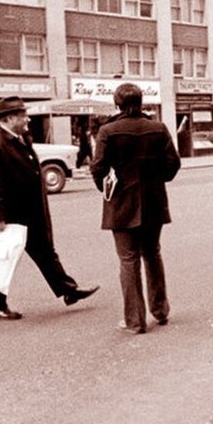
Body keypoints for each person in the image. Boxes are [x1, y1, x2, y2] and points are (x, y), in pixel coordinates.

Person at [0, 95, 98, 320]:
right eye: (23, 116)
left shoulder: (21, 139)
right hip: (12, 214)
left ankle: (69, 291)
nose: (27, 120)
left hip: (31, 211)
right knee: (4, 259)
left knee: (45, 252)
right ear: (9, 118)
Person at [90, 83, 181, 335]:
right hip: (153, 200)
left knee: (128, 260)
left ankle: (134, 320)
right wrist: (156, 179)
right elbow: (173, 163)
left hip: (121, 203)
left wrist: (106, 188)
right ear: (141, 102)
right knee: (152, 254)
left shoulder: (108, 130)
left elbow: (97, 167)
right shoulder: (158, 128)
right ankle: (160, 310)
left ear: (117, 103)